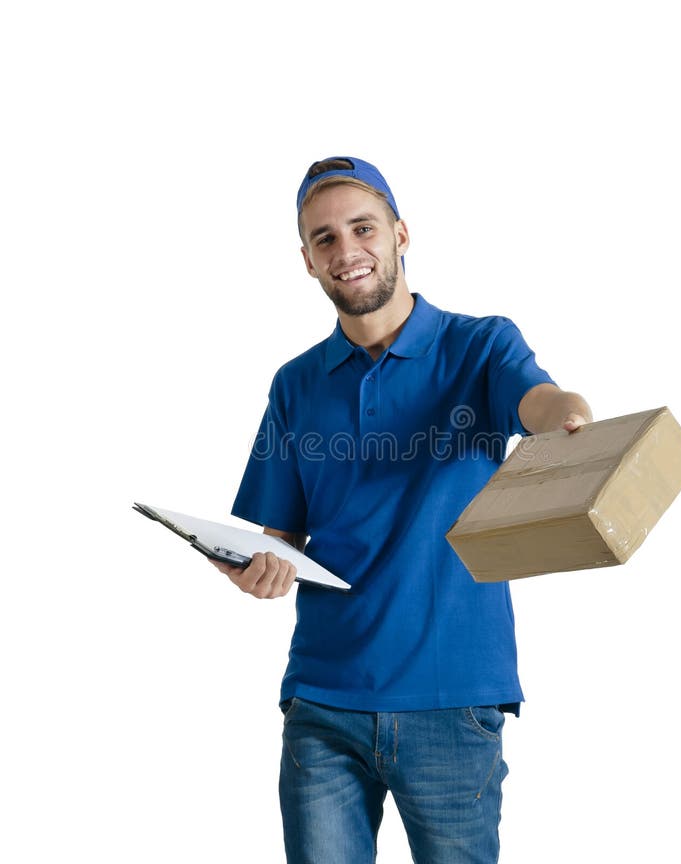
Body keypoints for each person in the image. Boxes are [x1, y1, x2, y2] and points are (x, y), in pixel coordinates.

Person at [211, 157, 592, 864]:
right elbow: (282, 539)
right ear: (307, 261)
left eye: (362, 228)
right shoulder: (295, 385)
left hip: (451, 698)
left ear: (400, 234)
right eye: (324, 239)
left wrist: (565, 415)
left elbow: (537, 401)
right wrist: (260, 569)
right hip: (323, 702)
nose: (346, 250)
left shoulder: (479, 345)